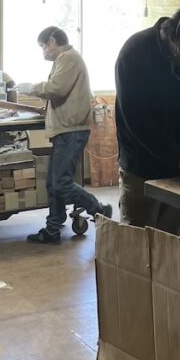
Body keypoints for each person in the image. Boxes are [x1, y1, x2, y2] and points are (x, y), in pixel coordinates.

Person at [115, 7, 180, 235]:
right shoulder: (135, 52)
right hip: (142, 168)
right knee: (137, 243)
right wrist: (178, 156)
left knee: (169, 243)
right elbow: (136, 119)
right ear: (173, 34)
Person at [15, 27, 112, 244]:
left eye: (43, 46)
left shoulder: (68, 58)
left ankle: (99, 209)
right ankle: (52, 230)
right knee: (53, 183)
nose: (43, 52)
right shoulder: (65, 60)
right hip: (66, 129)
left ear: (52, 41)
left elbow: (56, 88)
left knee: (60, 182)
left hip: (72, 130)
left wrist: (29, 88)